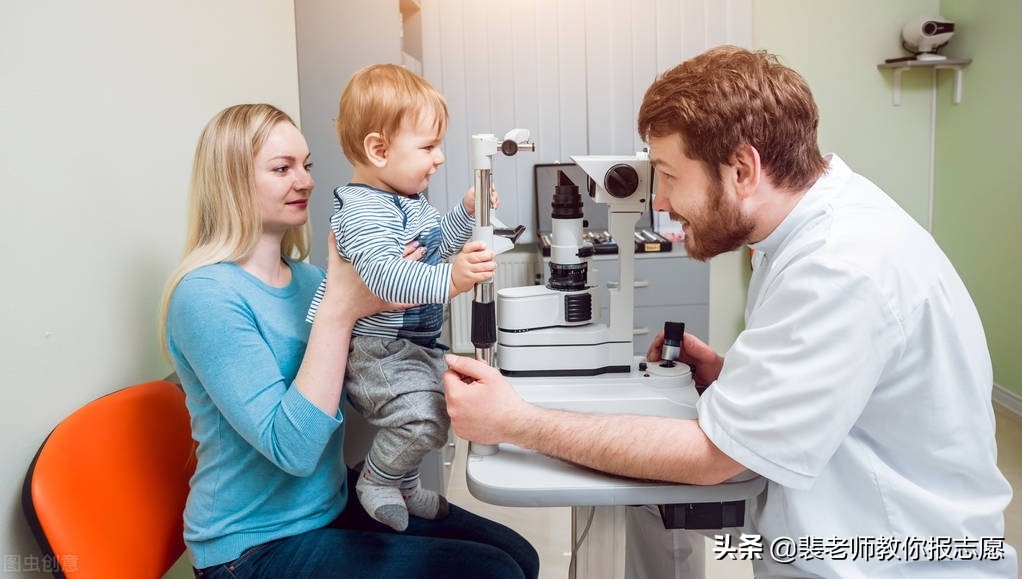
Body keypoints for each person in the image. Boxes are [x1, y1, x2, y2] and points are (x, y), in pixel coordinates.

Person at [442, 45, 1017, 578]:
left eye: (667, 175)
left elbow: (716, 460)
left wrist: (518, 422)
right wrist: (738, 378)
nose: (659, 200)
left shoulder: (841, 264)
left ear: (741, 169)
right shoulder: (803, 229)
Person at [158, 103, 539, 578]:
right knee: (492, 573)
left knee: (519, 554)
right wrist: (342, 309)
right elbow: (294, 452)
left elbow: (365, 390)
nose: (307, 181)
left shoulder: (310, 279)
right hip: (254, 547)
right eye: (283, 168)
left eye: (307, 164)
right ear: (230, 181)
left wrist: (397, 288)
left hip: (330, 503)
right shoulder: (206, 297)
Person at [304, 63, 496, 532]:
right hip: (377, 353)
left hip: (412, 345)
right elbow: (387, 280)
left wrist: (465, 213)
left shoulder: (406, 199)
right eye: (428, 147)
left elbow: (434, 245)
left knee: (444, 408)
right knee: (420, 416)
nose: (440, 158)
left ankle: (404, 483)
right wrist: (452, 280)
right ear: (378, 149)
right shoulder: (363, 210)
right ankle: (376, 480)